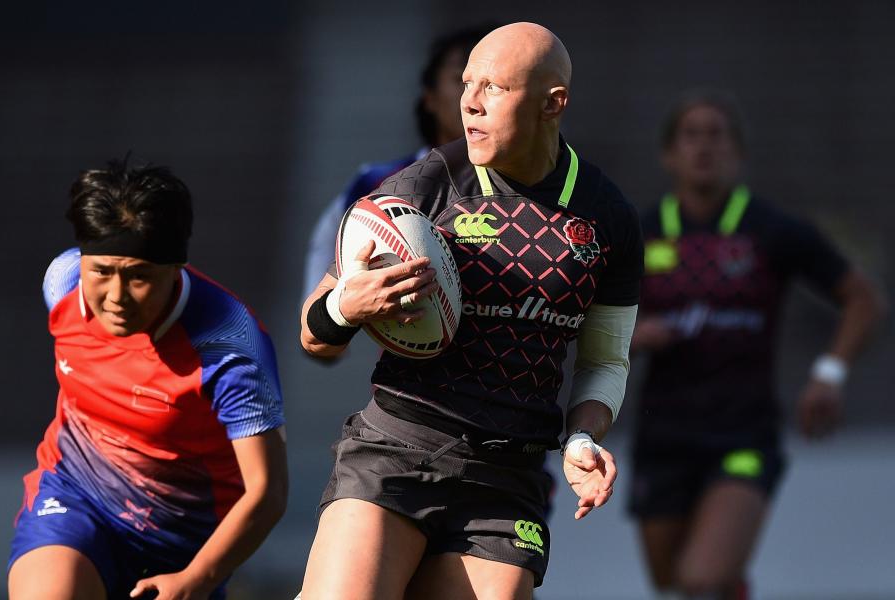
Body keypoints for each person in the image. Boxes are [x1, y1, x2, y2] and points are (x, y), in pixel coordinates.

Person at [298, 22, 643, 599]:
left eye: (495, 88)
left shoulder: (608, 218)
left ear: (552, 103)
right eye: (467, 84)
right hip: (395, 449)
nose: (470, 104)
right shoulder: (423, 188)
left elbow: (605, 362)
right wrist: (345, 305)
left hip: (506, 481)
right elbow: (315, 338)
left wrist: (581, 439)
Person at [628, 91, 888, 599]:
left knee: (700, 578)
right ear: (669, 154)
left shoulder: (772, 230)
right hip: (662, 435)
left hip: (742, 433)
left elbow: (865, 300)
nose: (704, 147)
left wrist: (828, 374)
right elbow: (593, 318)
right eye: (692, 135)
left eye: (716, 134)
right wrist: (631, 337)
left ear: (738, 152)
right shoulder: (642, 233)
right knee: (670, 580)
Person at [7, 159, 288, 600]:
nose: (115, 297)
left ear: (177, 267)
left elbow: (267, 492)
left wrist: (196, 579)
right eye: (101, 271)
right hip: (75, 496)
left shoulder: (228, 346)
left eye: (139, 276)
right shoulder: (62, 282)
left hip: (185, 549)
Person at [302, 25, 493, 298]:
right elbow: (317, 305)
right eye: (462, 80)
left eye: (494, 84)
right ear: (430, 98)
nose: (476, 96)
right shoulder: (375, 185)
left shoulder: (541, 186)